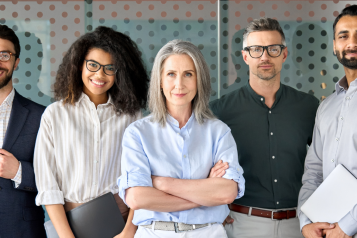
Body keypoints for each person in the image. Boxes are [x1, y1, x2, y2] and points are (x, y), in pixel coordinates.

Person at [118, 39, 245, 238]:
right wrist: (205, 193)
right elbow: (136, 197)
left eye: (188, 74)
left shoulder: (219, 132)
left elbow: (226, 193)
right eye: (171, 74)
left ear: (199, 80)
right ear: (159, 80)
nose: (179, 84)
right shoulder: (137, 133)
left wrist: (160, 183)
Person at [33, 26, 149, 238]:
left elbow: (141, 179)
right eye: (93, 65)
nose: (100, 75)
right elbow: (48, 186)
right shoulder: (54, 115)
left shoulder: (132, 116)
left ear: (119, 72)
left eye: (109, 68)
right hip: (68, 225)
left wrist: (129, 233)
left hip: (121, 224)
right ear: (79, 65)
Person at [210, 17, 319, 238]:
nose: (265, 57)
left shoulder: (309, 107)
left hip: (299, 224)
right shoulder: (220, 111)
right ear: (245, 57)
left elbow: (325, 164)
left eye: (273, 49)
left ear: (284, 54)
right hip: (242, 224)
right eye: (257, 49)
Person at [298, 5, 357, 238]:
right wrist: (306, 221)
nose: (351, 43)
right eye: (344, 36)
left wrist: (346, 226)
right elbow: (313, 172)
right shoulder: (326, 107)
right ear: (334, 45)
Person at [0, 25, 46, 238]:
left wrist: (18, 171)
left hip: (22, 231)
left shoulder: (42, 116)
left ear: (16, 62)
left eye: (4, 54)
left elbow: (58, 178)